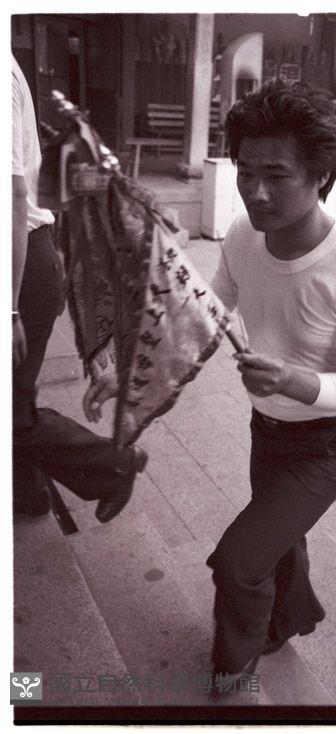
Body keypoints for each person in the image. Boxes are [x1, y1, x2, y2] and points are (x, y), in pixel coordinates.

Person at [205, 79, 336, 685]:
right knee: (279, 539)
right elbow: (213, 306)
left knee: (240, 561)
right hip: (269, 429)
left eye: (277, 175)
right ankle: (290, 618)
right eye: (245, 172)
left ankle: (233, 668)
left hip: (330, 441)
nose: (256, 192)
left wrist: (293, 380)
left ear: (321, 176)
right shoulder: (242, 234)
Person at [12, 53, 147, 522]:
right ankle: (27, 494)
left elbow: (15, 198)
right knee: (15, 400)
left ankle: (112, 464)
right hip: (35, 259)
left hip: (24, 265)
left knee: (12, 410)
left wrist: (9, 309)